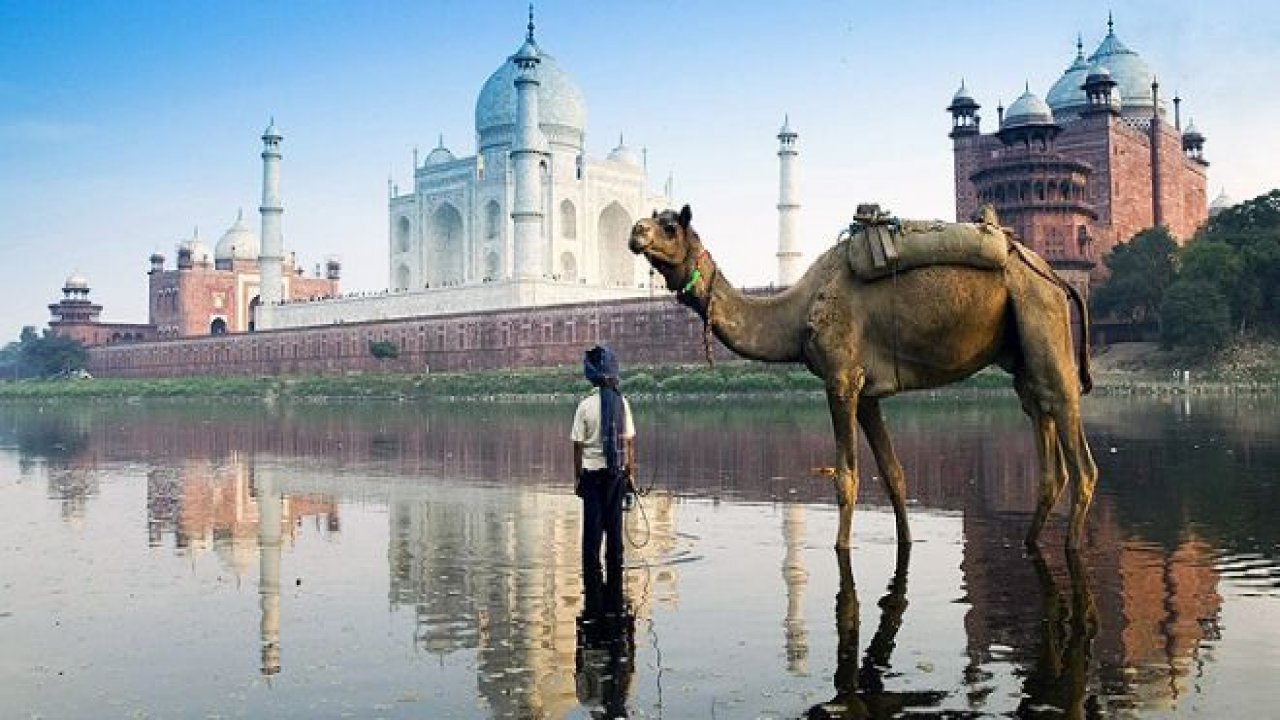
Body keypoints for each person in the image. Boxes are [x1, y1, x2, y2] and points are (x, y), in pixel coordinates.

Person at [571, 345, 636, 582]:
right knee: (615, 532)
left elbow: (577, 446)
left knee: (592, 534)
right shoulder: (622, 404)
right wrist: (630, 473)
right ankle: (615, 593)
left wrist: (577, 478)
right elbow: (629, 443)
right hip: (616, 475)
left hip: (591, 476)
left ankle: (592, 591)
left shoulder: (585, 406)